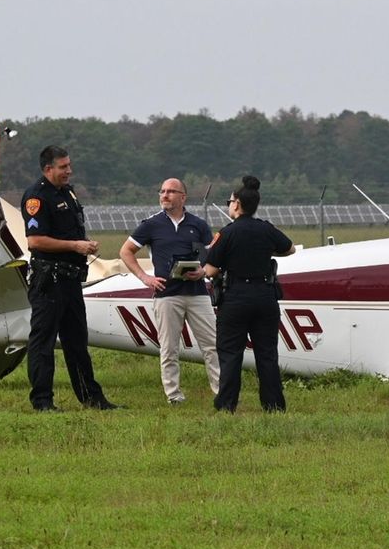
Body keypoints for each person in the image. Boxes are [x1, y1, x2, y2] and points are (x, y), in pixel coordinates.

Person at [20, 145, 119, 412]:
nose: (69, 171)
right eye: (63, 167)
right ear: (48, 168)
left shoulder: (68, 192)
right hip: (48, 280)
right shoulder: (36, 197)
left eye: (69, 165)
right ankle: (42, 402)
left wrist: (84, 243)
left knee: (77, 342)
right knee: (43, 343)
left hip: (71, 280)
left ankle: (92, 398)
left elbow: (68, 230)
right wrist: (75, 246)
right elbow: (35, 240)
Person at [119, 178, 220, 404]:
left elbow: (214, 256)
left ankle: (222, 392)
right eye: (162, 191)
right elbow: (126, 251)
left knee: (212, 345)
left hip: (197, 293)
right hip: (166, 294)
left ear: (183, 197)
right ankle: (174, 396)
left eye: (171, 192)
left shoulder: (199, 224)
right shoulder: (151, 224)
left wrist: (203, 271)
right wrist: (145, 277)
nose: (164, 195)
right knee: (169, 348)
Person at [203, 175, 295, 412]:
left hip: (235, 298)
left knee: (231, 353)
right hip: (265, 296)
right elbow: (290, 248)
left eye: (229, 201)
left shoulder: (228, 233)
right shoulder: (266, 229)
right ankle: (274, 406)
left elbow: (210, 269)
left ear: (236, 204)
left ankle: (226, 405)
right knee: (267, 354)